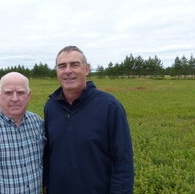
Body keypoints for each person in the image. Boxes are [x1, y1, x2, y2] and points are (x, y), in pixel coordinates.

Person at [43, 46, 134, 194]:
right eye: (62, 66)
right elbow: (48, 152)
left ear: (86, 69)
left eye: (74, 64)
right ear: (57, 72)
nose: (67, 70)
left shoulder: (109, 106)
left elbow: (123, 161)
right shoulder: (51, 106)